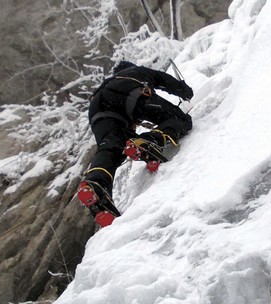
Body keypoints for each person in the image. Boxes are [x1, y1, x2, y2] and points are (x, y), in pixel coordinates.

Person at [77, 60, 194, 226]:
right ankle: (150, 142)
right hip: (128, 92)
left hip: (97, 106)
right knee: (179, 119)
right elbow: (161, 78)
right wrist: (184, 91)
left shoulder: (107, 82)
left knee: (110, 148)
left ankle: (96, 183)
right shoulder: (135, 72)